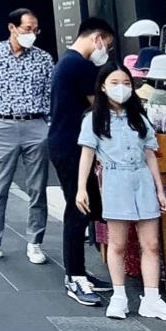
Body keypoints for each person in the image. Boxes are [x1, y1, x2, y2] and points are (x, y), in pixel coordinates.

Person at [76, 65, 166, 322]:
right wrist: (81, 188)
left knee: (152, 244)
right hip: (115, 179)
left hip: (142, 179)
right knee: (118, 243)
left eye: (126, 82)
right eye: (115, 82)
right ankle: (119, 296)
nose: (121, 87)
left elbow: (150, 154)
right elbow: (87, 154)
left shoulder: (138, 116)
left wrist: (160, 190)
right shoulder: (93, 118)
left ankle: (152, 299)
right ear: (103, 86)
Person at [0, 8, 54, 265]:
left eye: (35, 29)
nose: (32, 33)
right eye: (27, 28)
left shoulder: (43, 58)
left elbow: (50, 94)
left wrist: (46, 124)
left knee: (37, 187)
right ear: (12, 27)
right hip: (2, 124)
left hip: (35, 124)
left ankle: (35, 242)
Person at [48, 17, 117, 306]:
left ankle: (80, 274)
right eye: (108, 45)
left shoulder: (68, 61)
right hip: (71, 146)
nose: (107, 51)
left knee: (84, 208)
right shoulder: (78, 64)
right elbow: (99, 104)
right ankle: (75, 277)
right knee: (80, 207)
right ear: (97, 38)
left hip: (67, 143)